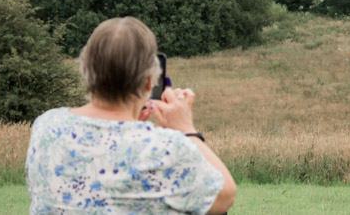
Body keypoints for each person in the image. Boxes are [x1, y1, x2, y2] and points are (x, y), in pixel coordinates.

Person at [25, 17, 236, 214]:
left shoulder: (46, 125)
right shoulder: (165, 149)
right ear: (148, 82)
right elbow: (224, 196)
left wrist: (131, 126)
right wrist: (185, 130)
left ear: (86, 71)